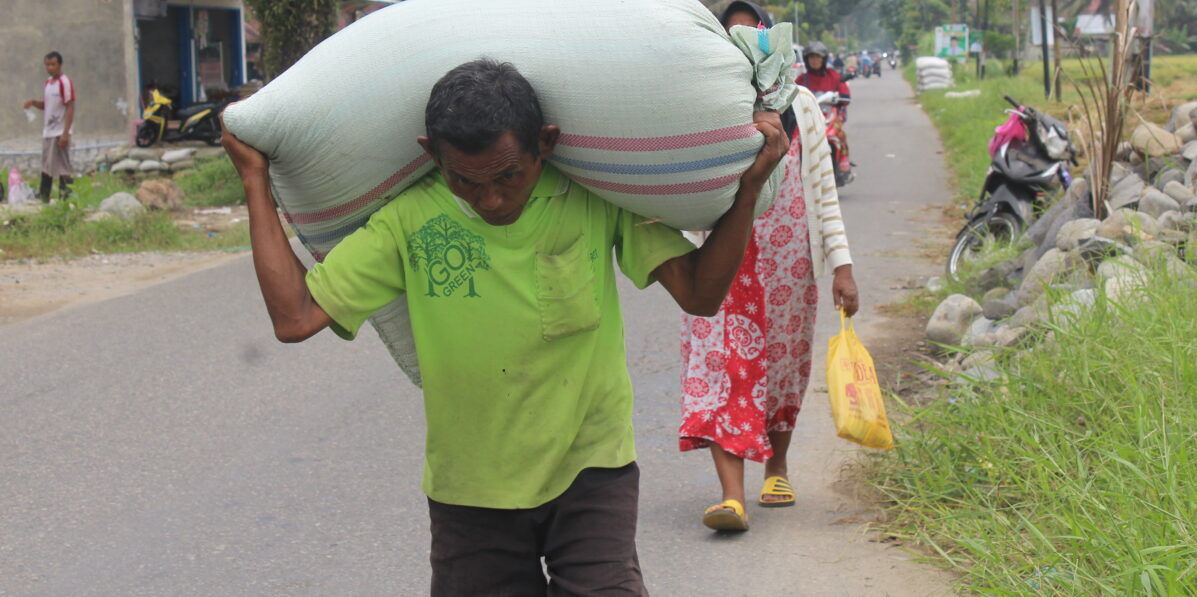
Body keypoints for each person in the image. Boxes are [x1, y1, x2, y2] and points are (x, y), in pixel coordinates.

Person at [220, 58, 788, 596]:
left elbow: (700, 293)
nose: (490, 199)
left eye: (507, 176)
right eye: (465, 181)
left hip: (590, 469)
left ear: (546, 143)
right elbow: (294, 318)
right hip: (469, 490)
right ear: (431, 156)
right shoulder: (409, 220)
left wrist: (748, 191)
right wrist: (254, 180)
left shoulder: (591, 199)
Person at [680, 2, 860, 533]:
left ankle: (777, 467)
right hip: (720, 260)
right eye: (729, 33)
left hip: (789, 260)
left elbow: (823, 192)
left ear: (770, 40)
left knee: (783, 364)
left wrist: (842, 266)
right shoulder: (705, 103)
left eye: (751, 32)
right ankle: (731, 496)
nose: (743, 42)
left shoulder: (801, 103)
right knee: (718, 368)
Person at [22, 51, 75, 202]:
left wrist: (65, 133)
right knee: (46, 164)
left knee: (63, 165)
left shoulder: (65, 82)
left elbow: (70, 106)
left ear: (60, 65)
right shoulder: (48, 83)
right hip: (48, 131)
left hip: (60, 131)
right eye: (47, 65)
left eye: (53, 64)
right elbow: (47, 105)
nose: (50, 68)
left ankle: (66, 198)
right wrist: (33, 103)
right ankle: (44, 196)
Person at [795, 41, 850, 113]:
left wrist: (837, 99)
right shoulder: (802, 79)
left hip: (830, 117)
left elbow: (846, 98)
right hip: (808, 117)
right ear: (807, 59)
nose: (815, 60)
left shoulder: (833, 76)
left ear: (823, 59)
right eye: (811, 57)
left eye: (818, 56)